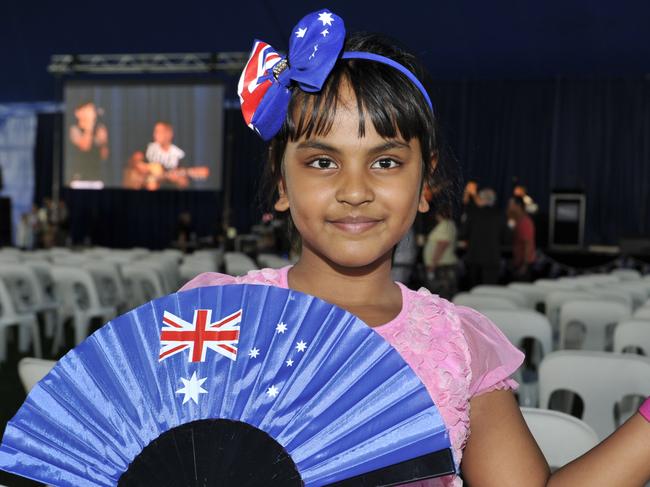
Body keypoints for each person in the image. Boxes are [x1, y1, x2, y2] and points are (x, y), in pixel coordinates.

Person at [181, 9, 650, 486]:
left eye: (385, 161)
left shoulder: (459, 344)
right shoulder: (218, 317)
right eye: (323, 161)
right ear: (282, 182)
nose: (355, 189)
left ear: (426, 182)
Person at [463, 187, 505, 287]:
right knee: (490, 292)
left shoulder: (472, 213)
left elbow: (463, 233)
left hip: (474, 258)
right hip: (492, 259)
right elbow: (506, 237)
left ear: (483, 200)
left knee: (474, 293)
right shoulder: (500, 215)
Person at [423, 210, 458, 299]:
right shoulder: (450, 224)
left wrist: (433, 263)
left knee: (442, 294)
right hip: (444, 264)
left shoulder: (445, 225)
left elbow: (442, 245)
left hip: (442, 265)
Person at [508, 195, 536, 281]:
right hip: (518, 262)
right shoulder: (517, 220)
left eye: (511, 205)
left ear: (518, 206)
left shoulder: (525, 222)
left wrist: (525, 265)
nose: (509, 207)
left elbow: (528, 244)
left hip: (523, 264)